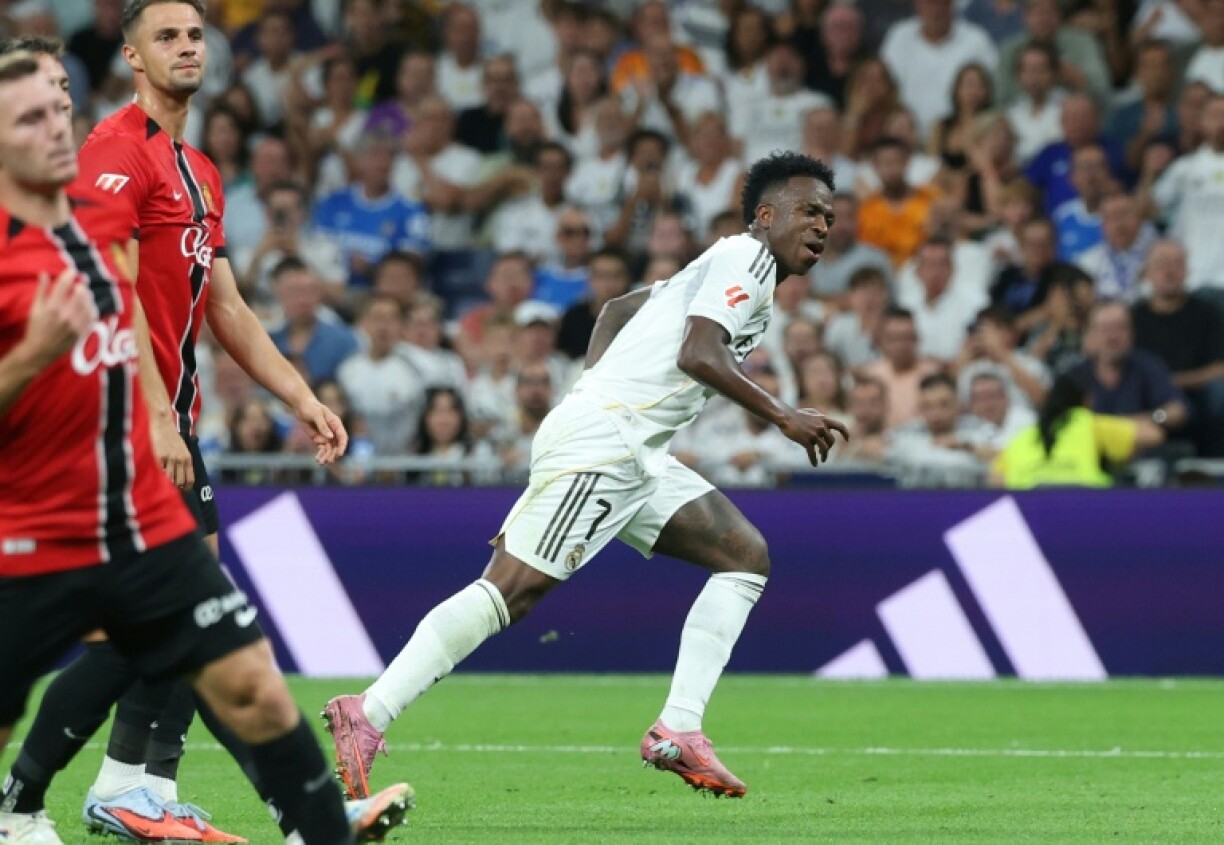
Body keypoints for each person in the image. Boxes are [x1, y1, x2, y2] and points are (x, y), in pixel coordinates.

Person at [0, 5, 408, 843]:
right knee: (181, 618)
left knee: (183, 614)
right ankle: (57, 792)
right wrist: (152, 415)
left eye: (195, 35)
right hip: (124, 431)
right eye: (167, 38)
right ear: (133, 57)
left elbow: (224, 306)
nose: (187, 47)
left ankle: (133, 784)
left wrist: (300, 395)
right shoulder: (113, 151)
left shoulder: (200, 170)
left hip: (171, 421)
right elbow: (109, 291)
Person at [322, 151, 847, 802]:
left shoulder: (728, 266)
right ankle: (367, 712)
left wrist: (594, 386)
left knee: (744, 556)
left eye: (830, 214)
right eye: (809, 211)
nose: (823, 225)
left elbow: (619, 309)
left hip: (635, 450)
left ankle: (680, 726)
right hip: (606, 441)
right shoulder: (746, 258)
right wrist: (781, 415)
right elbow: (697, 351)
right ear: (767, 216)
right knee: (511, 591)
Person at [991, 372, 1165, 488]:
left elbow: (996, 480)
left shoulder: (1021, 437)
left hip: (1026, 508)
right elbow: (1154, 435)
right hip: (1083, 503)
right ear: (1087, 400)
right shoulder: (1088, 423)